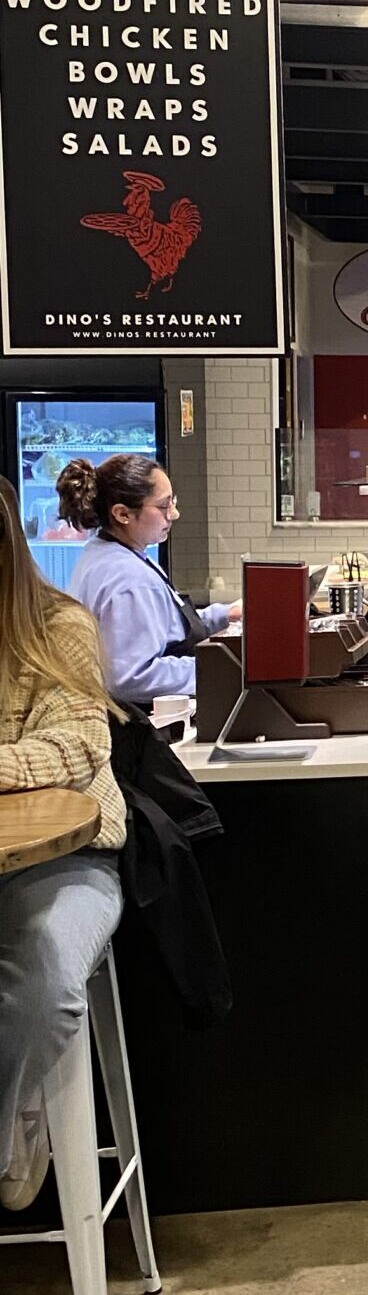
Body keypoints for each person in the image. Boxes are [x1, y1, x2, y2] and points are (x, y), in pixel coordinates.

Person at [0, 479, 124, 1210]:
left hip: (65, 857)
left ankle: (10, 1125)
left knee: (42, 975)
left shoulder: (57, 623)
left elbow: (82, 738)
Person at [60, 455, 234, 710]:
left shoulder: (112, 551)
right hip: (141, 726)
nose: (174, 514)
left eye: (173, 501)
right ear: (122, 514)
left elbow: (167, 624)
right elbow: (131, 676)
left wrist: (224, 615)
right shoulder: (126, 578)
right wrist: (220, 668)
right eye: (163, 506)